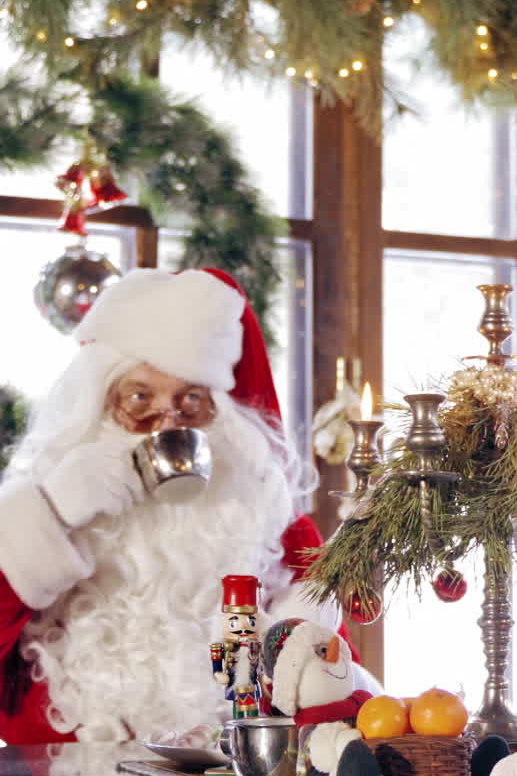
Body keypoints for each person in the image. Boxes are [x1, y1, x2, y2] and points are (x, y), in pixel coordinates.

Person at [0, 266, 349, 744]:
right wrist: (52, 512)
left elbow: (331, 692)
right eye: (139, 397)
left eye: (191, 401)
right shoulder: (38, 515)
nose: (167, 422)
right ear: (100, 404)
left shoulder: (276, 530)